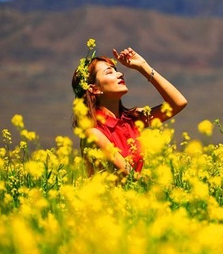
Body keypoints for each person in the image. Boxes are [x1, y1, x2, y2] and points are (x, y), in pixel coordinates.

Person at [72, 43, 187, 177]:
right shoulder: (94, 134)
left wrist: (143, 66)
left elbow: (178, 103)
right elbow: (131, 177)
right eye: (109, 72)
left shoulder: (132, 119)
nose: (120, 74)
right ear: (94, 89)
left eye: (116, 70)